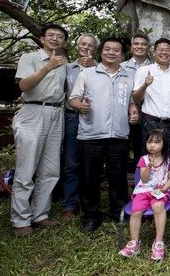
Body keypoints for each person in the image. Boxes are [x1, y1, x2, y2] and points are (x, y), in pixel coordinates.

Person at [69, 37, 140, 233]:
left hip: (119, 135)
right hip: (91, 135)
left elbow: (131, 101)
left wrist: (133, 110)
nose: (111, 52)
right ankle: (91, 216)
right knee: (90, 178)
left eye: (115, 50)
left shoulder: (128, 76)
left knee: (117, 176)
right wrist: (80, 106)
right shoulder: (87, 74)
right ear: (101, 53)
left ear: (122, 54)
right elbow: (73, 99)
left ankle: (118, 210)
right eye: (107, 49)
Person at [10, 24, 68, 237]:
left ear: (64, 42)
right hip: (33, 112)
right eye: (51, 35)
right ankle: (20, 219)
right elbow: (24, 86)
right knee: (26, 169)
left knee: (51, 169)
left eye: (60, 36)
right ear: (42, 38)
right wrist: (47, 67)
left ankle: (39, 215)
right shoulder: (30, 58)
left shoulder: (64, 63)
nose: (55, 39)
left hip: (56, 113)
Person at [119, 128, 170, 261]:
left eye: (156, 142)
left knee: (158, 207)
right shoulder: (143, 160)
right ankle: (134, 243)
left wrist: (164, 189)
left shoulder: (169, 160)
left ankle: (158, 241)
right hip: (143, 191)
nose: (152, 145)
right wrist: (149, 167)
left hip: (160, 192)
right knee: (136, 211)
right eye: (149, 142)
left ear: (163, 144)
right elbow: (144, 179)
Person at [61, 33, 99, 222]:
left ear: (95, 49)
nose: (86, 48)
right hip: (72, 118)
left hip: (93, 119)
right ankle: (70, 204)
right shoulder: (67, 68)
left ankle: (90, 202)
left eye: (90, 45)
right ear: (77, 47)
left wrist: (93, 67)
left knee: (90, 163)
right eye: (83, 44)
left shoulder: (100, 69)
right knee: (71, 163)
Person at [133, 38, 170, 159]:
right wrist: (145, 85)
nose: (164, 52)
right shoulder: (144, 71)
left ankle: (168, 179)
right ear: (154, 52)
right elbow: (136, 98)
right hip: (150, 123)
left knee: (169, 160)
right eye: (161, 49)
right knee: (148, 160)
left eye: (167, 50)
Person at [122, 33, 152, 170]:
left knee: (144, 154)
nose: (140, 46)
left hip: (147, 117)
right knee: (121, 154)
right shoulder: (121, 67)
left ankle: (143, 188)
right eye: (136, 44)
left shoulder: (154, 68)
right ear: (131, 47)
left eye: (143, 44)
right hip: (123, 116)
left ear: (149, 48)